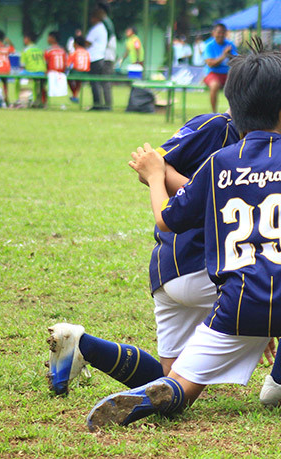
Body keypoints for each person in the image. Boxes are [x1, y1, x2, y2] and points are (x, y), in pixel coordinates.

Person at [86, 48, 281, 429]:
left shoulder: (219, 163)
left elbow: (167, 221)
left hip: (236, 304)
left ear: (233, 109)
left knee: (181, 385)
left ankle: (161, 394)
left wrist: (156, 177)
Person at [47, 112, 239, 397]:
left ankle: (82, 345)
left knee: (169, 387)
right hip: (202, 263)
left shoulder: (252, 140)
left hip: (169, 266)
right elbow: (152, 166)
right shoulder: (217, 126)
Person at [202, 23, 237, 112]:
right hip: (212, 73)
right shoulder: (209, 45)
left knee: (239, 85)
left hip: (228, 74)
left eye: (223, 33)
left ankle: (235, 112)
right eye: (218, 32)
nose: (221, 35)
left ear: (226, 34)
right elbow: (210, 63)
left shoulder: (230, 45)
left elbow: (237, 60)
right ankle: (214, 112)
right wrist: (223, 55)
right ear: (214, 33)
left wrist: (230, 56)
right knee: (214, 85)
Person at [86, 4, 112, 111]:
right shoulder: (102, 28)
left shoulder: (97, 29)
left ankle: (97, 104)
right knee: (98, 82)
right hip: (99, 57)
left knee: (94, 82)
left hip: (95, 58)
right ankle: (100, 104)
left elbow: (88, 42)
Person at [20, 32, 47, 106]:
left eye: (24, 38)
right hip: (41, 71)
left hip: (31, 71)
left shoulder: (25, 50)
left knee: (17, 77)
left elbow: (22, 65)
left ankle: (18, 99)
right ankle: (38, 101)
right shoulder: (39, 49)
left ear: (28, 39)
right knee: (38, 83)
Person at [67, 36, 91, 103]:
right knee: (78, 80)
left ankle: (74, 94)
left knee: (67, 78)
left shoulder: (74, 52)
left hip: (76, 72)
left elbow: (68, 64)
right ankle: (75, 95)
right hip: (86, 73)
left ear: (76, 44)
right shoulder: (87, 52)